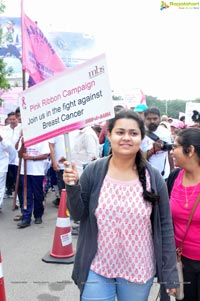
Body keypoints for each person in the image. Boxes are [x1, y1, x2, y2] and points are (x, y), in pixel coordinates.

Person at [63, 109, 178, 301]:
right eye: (120, 132)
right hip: (97, 267)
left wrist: (170, 273)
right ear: (109, 135)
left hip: (139, 270)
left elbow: (165, 227)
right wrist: (72, 186)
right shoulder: (93, 172)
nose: (126, 138)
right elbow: (77, 215)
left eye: (133, 133)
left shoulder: (154, 177)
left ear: (141, 138)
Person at [167, 127, 200, 301]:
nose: (172, 152)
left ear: (190, 150)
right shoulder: (174, 177)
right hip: (181, 261)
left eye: (176, 147)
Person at [16, 137, 50, 228]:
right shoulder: (24, 139)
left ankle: (38, 215)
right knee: (26, 195)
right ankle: (26, 217)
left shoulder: (42, 138)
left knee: (38, 194)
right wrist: (23, 144)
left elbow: (45, 155)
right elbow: (19, 155)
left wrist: (31, 157)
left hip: (37, 172)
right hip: (25, 172)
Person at [141, 107, 173, 180]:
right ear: (144, 119)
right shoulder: (139, 134)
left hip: (165, 176)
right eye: (149, 119)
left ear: (159, 119)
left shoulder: (166, 132)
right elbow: (138, 159)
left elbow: (169, 154)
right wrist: (153, 150)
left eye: (155, 119)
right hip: (147, 177)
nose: (152, 121)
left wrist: (172, 171)